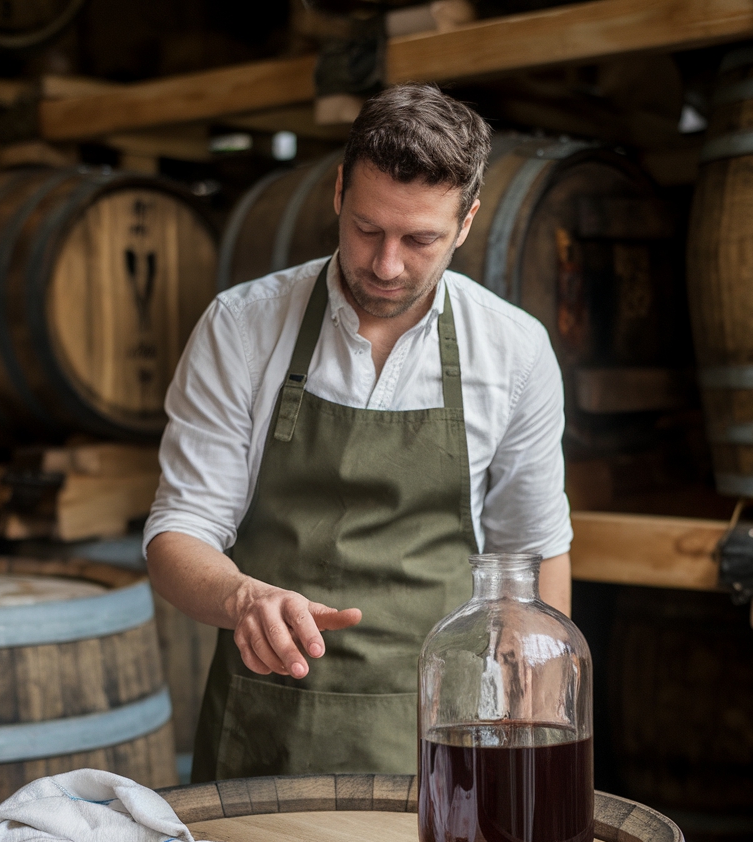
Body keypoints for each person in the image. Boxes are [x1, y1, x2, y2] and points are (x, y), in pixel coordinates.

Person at [145, 83, 572, 783]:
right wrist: (242, 599)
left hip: (445, 730)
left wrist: (541, 741)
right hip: (266, 721)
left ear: (466, 223)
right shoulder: (241, 326)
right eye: (368, 228)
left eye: (421, 239)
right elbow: (177, 535)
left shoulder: (515, 351)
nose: (387, 264)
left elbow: (532, 556)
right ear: (340, 191)